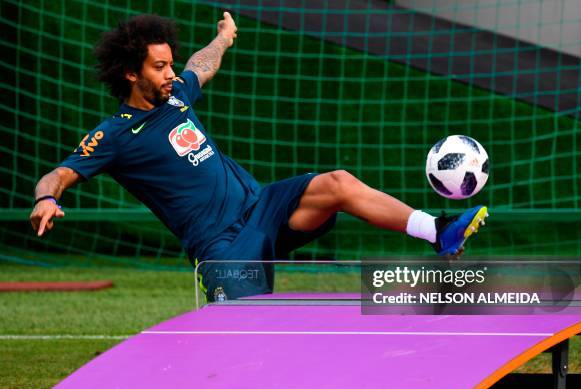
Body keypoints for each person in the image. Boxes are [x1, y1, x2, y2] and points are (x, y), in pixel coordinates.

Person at [29, 13, 489, 302]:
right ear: (131, 73)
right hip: (223, 247)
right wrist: (46, 198)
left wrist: (224, 38)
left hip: (263, 208)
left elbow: (201, 65)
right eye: (159, 67)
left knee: (338, 183)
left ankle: (437, 231)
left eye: (170, 64)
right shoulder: (115, 134)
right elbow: (60, 173)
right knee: (246, 344)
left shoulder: (177, 97)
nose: (171, 73)